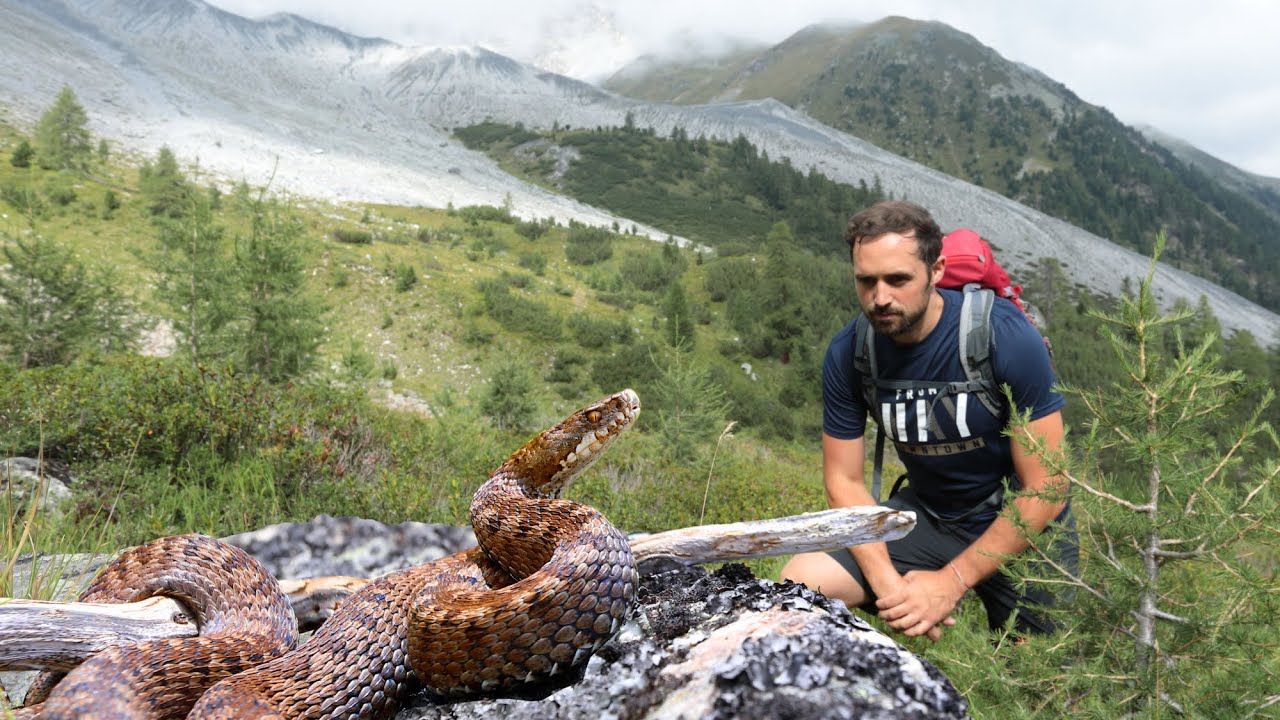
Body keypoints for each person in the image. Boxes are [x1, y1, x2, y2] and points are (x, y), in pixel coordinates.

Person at [780, 200, 1077, 640]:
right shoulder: (851, 352)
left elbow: (1047, 485)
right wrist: (889, 588)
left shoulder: (1006, 337)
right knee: (800, 584)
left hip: (1021, 525)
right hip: (931, 515)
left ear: (936, 270)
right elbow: (844, 480)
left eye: (898, 279)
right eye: (867, 281)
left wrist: (950, 583)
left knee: (1042, 682)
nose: (881, 298)